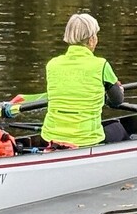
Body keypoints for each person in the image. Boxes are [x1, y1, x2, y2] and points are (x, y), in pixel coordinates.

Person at [41, 13, 127, 147]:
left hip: (51, 137)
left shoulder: (52, 64)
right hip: (86, 139)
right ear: (91, 40)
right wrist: (112, 94)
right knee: (119, 128)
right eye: (96, 36)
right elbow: (117, 101)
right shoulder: (101, 65)